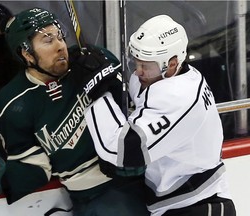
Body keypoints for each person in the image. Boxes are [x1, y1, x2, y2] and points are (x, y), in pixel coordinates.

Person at [0, 7, 149, 215]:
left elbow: (140, 110)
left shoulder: (92, 62)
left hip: (133, 184)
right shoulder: (12, 103)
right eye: (48, 40)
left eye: (59, 36)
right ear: (27, 53)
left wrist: (112, 82)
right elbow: (35, 166)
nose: (60, 46)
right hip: (85, 200)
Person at [84, 15, 236, 216]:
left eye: (145, 66)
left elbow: (120, 150)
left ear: (171, 64)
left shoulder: (179, 96)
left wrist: (95, 94)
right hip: (178, 204)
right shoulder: (161, 78)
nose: (137, 72)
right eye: (136, 62)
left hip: (200, 205)